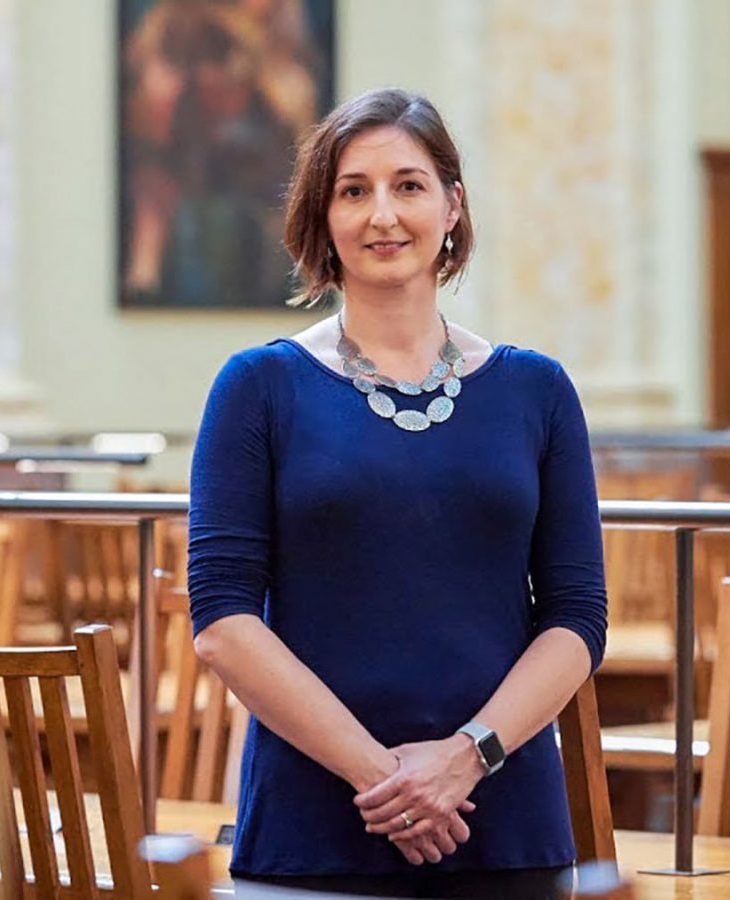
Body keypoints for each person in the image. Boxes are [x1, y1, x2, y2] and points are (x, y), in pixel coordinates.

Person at [187, 87, 607, 898]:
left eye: (408, 185)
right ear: (324, 217)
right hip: (315, 831)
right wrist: (386, 779)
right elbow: (223, 622)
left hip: (505, 826)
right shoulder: (258, 386)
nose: (383, 214)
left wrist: (465, 757)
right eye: (354, 190)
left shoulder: (537, 390)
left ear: (453, 205)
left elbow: (577, 617)